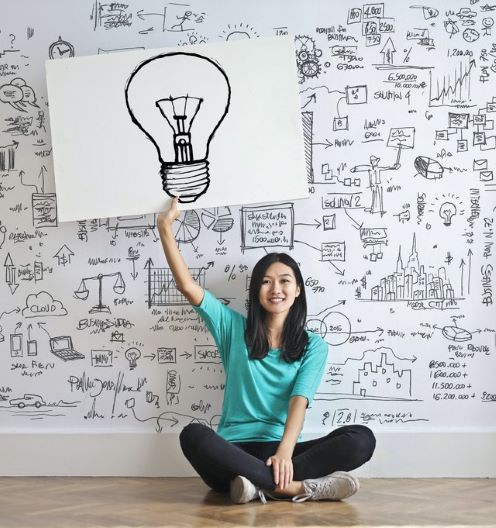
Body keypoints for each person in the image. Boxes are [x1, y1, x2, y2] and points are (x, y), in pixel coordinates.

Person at [157, 198, 376, 504]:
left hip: (284, 452)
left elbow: (299, 400)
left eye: (285, 281)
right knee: (193, 436)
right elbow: (187, 286)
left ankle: (254, 485)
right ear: (256, 292)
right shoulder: (232, 328)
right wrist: (164, 226)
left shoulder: (314, 345)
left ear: (298, 289)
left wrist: (285, 452)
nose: (276, 289)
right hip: (233, 451)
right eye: (266, 282)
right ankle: (296, 489)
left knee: (361, 439)